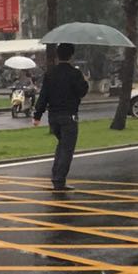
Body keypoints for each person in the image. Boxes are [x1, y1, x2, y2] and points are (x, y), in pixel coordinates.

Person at [34, 42, 89, 190]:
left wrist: (37, 115)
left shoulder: (50, 73)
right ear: (71, 55)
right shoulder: (75, 74)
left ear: (58, 55)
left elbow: (43, 95)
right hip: (69, 116)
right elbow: (82, 92)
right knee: (67, 149)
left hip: (53, 117)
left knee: (61, 145)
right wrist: (85, 81)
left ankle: (56, 175)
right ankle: (59, 179)